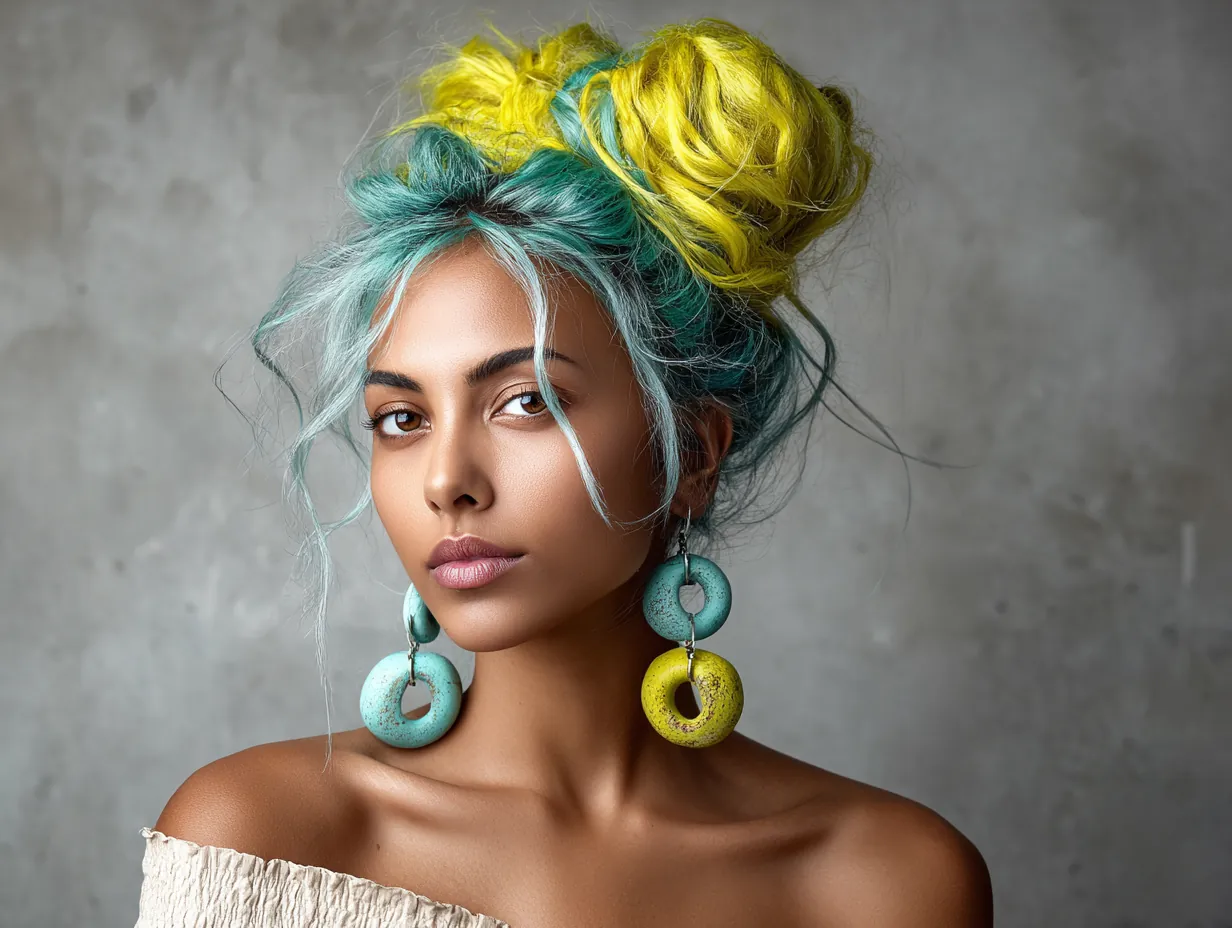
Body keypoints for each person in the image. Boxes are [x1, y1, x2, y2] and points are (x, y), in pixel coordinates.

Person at [135, 17, 994, 928]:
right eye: (402, 418)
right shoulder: (259, 840)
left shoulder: (888, 883)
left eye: (525, 401)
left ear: (692, 451)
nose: (446, 481)